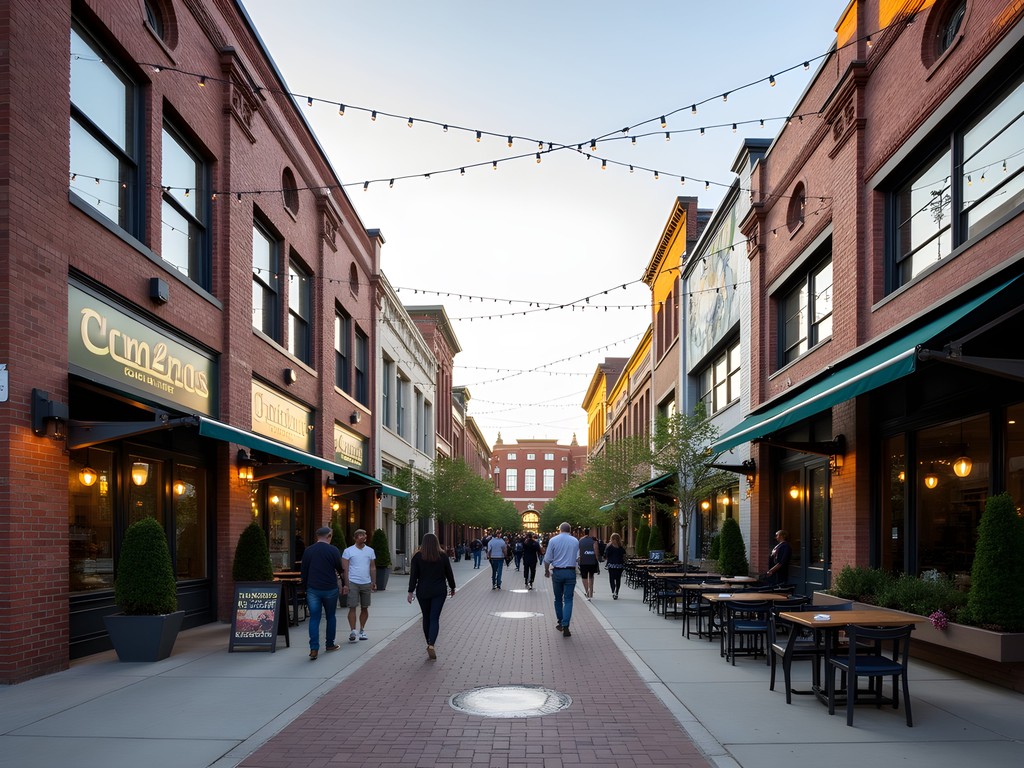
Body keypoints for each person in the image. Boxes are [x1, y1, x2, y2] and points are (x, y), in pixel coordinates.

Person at [407, 532, 456, 660]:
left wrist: (410, 591)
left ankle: (428, 641)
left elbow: (413, 576)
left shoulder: (417, 556)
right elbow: (449, 573)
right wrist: (452, 587)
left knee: (426, 617)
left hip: (423, 590)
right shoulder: (442, 556)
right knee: (434, 618)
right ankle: (431, 643)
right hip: (439, 590)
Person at [299, 526, 343, 660]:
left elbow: (304, 571)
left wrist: (305, 586)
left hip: (313, 588)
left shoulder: (308, 550)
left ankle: (314, 648)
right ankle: (330, 644)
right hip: (330, 588)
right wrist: (344, 584)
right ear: (329, 535)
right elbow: (340, 568)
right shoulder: (333, 550)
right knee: (330, 616)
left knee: (314, 618)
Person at [543, 522, 579, 637]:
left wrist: (546, 570)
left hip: (557, 572)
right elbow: (578, 558)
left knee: (558, 598)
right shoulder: (575, 541)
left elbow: (547, 559)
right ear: (570, 530)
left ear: (560, 529)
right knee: (568, 599)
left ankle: (560, 621)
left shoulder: (553, 540)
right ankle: (566, 624)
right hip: (570, 571)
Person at [341, 528, 376, 641]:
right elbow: (345, 569)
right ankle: (353, 631)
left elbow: (372, 567)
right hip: (353, 582)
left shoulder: (370, 551)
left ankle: (362, 630)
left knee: (365, 607)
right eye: (361, 535)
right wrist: (346, 584)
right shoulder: (348, 551)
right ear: (355, 538)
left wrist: (373, 581)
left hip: (366, 582)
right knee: (352, 607)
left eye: (364, 535)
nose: (364, 537)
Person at [578, 527, 600, 600]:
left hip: (583, 561)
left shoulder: (580, 541)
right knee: (591, 576)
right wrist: (597, 560)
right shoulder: (594, 541)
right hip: (592, 561)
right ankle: (591, 593)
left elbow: (579, 551)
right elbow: (596, 551)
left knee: (584, 577)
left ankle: (587, 591)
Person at [604, 532, 626, 599]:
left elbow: (605, 556)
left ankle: (613, 591)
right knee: (618, 579)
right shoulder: (621, 547)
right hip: (619, 565)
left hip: (611, 565)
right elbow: (624, 555)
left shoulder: (609, 547)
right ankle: (617, 592)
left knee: (611, 579)